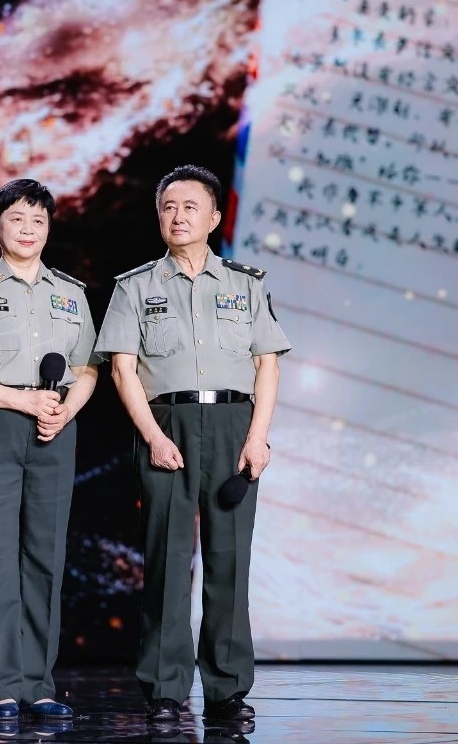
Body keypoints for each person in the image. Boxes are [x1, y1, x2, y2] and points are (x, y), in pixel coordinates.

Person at [94, 164, 291, 724]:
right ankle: (165, 689)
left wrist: (258, 438)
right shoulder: (135, 286)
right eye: (168, 207)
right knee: (167, 561)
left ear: (213, 217)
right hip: (167, 424)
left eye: (189, 207)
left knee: (229, 560)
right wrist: (152, 436)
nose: (178, 216)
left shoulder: (246, 284)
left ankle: (227, 690)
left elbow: (267, 366)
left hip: (233, 426)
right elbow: (123, 371)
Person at [0, 179, 99, 723]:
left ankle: (39, 683)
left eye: (38, 221)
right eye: (17, 219)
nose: (28, 230)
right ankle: (3, 684)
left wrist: (64, 410)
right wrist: (22, 401)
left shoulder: (71, 293)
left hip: (55, 428)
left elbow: (87, 369)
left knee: (45, 555)